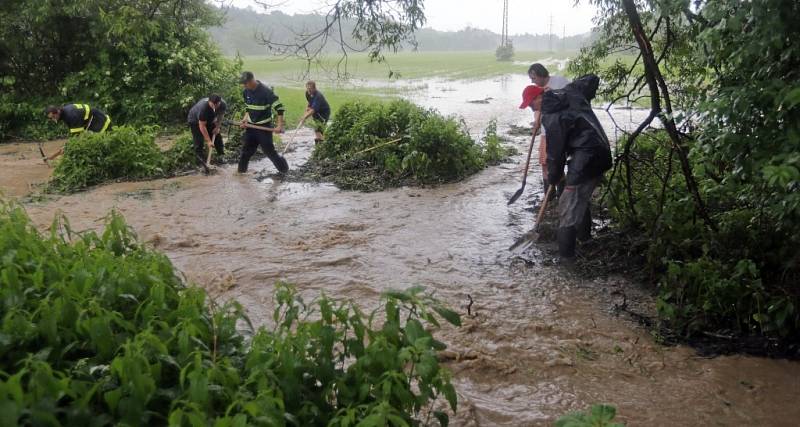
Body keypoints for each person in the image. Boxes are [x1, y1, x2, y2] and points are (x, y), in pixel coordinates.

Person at [539, 74, 612, 262]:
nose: (532, 108)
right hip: (601, 152)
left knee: (568, 208)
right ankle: (585, 239)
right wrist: (568, 88)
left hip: (586, 158)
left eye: (531, 104)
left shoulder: (552, 117)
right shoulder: (570, 94)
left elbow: (555, 155)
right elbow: (592, 79)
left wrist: (553, 178)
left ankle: (566, 263)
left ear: (539, 97)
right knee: (580, 198)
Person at [526, 63, 570, 198]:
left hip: (560, 132)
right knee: (544, 162)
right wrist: (536, 122)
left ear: (539, 74)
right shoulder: (538, 90)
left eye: (533, 78)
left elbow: (572, 99)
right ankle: (548, 195)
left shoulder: (560, 82)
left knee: (557, 163)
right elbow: (537, 109)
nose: (532, 81)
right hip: (546, 132)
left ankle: (561, 194)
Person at [237, 71, 288, 174]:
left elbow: (280, 108)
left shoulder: (266, 92)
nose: (244, 85)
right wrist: (245, 119)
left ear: (251, 80)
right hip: (251, 127)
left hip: (263, 128)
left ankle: (284, 171)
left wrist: (279, 125)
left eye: (245, 83)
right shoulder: (246, 92)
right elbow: (248, 108)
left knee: (269, 152)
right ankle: (240, 174)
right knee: (245, 152)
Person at [43, 103, 112, 161]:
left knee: (101, 144)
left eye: (53, 117)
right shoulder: (64, 113)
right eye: (51, 118)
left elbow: (76, 137)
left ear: (57, 112)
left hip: (99, 121)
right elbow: (74, 134)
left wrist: (66, 148)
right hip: (91, 122)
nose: (53, 119)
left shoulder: (71, 115)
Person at [187, 95, 226, 168]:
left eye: (216, 105)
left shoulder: (223, 104)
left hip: (209, 119)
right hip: (195, 120)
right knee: (199, 140)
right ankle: (200, 162)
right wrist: (208, 141)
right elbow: (202, 126)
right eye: (212, 105)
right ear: (209, 102)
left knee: (217, 136)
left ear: (219, 103)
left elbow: (221, 115)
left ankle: (221, 156)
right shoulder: (204, 108)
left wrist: (217, 127)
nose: (214, 107)